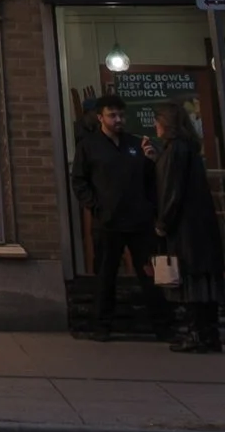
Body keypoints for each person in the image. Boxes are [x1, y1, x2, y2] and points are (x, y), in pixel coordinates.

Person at [72, 94, 169, 341]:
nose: (118, 120)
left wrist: (151, 206)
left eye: (121, 115)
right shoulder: (89, 146)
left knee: (149, 274)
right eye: (112, 115)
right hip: (108, 220)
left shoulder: (136, 144)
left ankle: (162, 325)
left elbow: (151, 181)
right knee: (106, 275)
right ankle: (102, 326)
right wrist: (94, 206)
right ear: (100, 117)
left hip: (139, 220)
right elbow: (79, 180)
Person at [151, 102, 220, 353]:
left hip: (185, 226)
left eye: (157, 121)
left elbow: (172, 189)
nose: (154, 126)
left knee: (189, 279)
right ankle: (208, 333)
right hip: (199, 223)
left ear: (166, 124)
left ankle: (196, 334)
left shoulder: (175, 150)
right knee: (201, 279)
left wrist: (162, 223)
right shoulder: (187, 148)